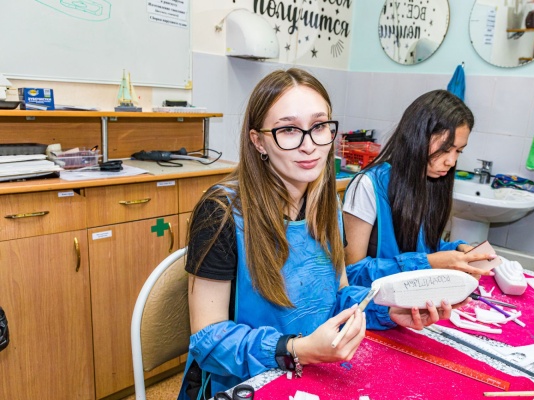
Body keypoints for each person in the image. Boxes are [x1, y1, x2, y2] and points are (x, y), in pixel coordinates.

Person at [178, 69, 455, 399]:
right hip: (247, 383)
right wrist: (297, 349)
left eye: (319, 126)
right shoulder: (221, 213)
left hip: (309, 373)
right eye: (288, 129)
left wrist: (387, 309)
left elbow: (337, 297)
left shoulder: (327, 206)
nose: (309, 145)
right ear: (258, 141)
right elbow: (208, 341)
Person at [343, 90, 496, 287]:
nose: (451, 161)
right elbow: (352, 273)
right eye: (445, 149)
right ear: (417, 138)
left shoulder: (430, 180)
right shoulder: (368, 186)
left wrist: (457, 250)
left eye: (459, 151)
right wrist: (428, 263)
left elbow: (422, 248)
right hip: (373, 302)